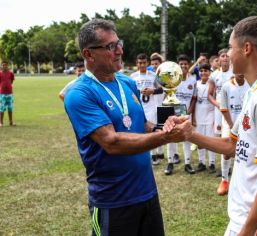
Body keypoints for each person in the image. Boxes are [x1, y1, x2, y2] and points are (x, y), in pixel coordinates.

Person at [164, 16, 257, 235]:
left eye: (231, 48)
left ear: (247, 48)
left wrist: (247, 230)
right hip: (244, 217)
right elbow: (232, 145)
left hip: (254, 225)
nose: (228, 55)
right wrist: (189, 133)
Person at [64, 19, 191, 236]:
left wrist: (165, 126)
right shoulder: (79, 94)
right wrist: (165, 138)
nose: (120, 50)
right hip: (112, 201)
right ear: (88, 54)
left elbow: (142, 125)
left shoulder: (127, 83)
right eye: (110, 46)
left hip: (147, 194)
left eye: (118, 43)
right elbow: (111, 142)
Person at [217, 73, 249, 196]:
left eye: (243, 71)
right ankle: (224, 180)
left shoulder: (250, 85)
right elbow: (223, 108)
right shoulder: (226, 86)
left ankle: (242, 183)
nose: (240, 74)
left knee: (244, 152)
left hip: (246, 125)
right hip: (229, 123)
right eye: (237, 72)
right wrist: (231, 126)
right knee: (226, 152)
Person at [165, 54, 197, 175]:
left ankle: (187, 163)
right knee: (171, 137)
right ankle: (170, 163)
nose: (183, 66)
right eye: (181, 64)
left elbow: (194, 98)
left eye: (185, 64)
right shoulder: (172, 80)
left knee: (187, 137)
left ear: (188, 65)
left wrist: (189, 112)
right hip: (173, 112)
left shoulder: (193, 80)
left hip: (186, 113)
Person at [130, 53, 165, 165]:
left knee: (152, 130)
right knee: (140, 131)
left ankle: (156, 154)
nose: (142, 65)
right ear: (137, 64)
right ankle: (148, 153)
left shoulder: (153, 75)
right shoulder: (133, 77)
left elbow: (162, 89)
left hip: (151, 107)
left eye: (144, 62)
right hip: (139, 107)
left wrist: (152, 91)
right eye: (140, 63)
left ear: (147, 63)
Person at [194, 63, 216, 173]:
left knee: (211, 140)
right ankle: (201, 162)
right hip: (198, 115)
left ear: (209, 72)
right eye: (201, 71)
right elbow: (193, 101)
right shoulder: (195, 84)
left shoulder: (212, 84)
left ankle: (212, 163)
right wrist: (193, 117)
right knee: (200, 140)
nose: (203, 73)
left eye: (206, 71)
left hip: (210, 115)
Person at [208, 48, 233, 136]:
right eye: (223, 56)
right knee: (218, 134)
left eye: (227, 56)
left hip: (232, 107)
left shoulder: (235, 72)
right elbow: (209, 95)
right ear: (219, 59)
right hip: (219, 108)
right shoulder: (214, 75)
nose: (225, 58)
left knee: (231, 131)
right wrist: (217, 104)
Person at [0, 61, 15, 126]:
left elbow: (11, 81)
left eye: (6, 65)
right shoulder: (0, 73)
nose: (4, 66)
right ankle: (1, 122)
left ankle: (11, 122)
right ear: (1, 66)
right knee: (1, 108)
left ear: (8, 66)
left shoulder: (11, 73)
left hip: (10, 93)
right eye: (3, 65)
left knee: (10, 108)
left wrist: (8, 85)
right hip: (2, 93)